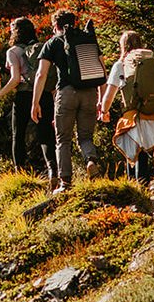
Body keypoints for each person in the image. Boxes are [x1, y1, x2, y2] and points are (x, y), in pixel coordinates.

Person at [30, 10, 106, 193]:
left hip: (66, 92)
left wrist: (35, 102)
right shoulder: (87, 39)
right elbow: (103, 71)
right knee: (85, 137)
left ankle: (65, 182)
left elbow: (41, 75)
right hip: (89, 93)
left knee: (63, 139)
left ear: (55, 26)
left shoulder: (52, 43)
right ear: (75, 22)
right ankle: (90, 160)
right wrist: (102, 100)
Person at [0, 17, 56, 185]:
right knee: (45, 134)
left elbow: (15, 79)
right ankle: (53, 172)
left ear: (16, 32)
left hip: (23, 96)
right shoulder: (42, 48)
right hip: (43, 94)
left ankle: (20, 174)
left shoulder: (13, 52)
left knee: (18, 135)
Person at [98, 30, 154, 183]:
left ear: (123, 46)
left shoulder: (121, 65)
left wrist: (104, 111)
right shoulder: (151, 61)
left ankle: (138, 191)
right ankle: (145, 186)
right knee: (143, 153)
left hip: (133, 115)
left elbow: (109, 95)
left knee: (135, 153)